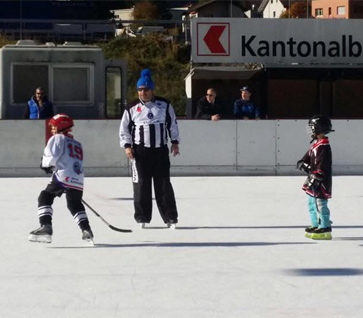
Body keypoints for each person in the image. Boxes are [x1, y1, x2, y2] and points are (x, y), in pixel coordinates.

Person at [119, 69, 180, 229]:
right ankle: (142, 217)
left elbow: (172, 124)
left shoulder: (164, 105)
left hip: (160, 151)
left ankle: (170, 217)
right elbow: (124, 128)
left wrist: (175, 142)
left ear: (152, 90)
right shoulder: (131, 107)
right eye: (140, 90)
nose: (143, 92)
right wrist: (127, 146)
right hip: (140, 152)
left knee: (163, 184)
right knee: (141, 185)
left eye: (146, 89)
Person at [28, 113, 94, 244]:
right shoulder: (77, 143)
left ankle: (46, 227)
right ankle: (86, 230)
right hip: (78, 179)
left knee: (45, 196)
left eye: (53, 126)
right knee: (74, 204)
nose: (52, 129)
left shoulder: (57, 138)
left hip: (63, 176)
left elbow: (50, 159)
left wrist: (45, 164)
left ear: (60, 126)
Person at [296, 114, 334, 240]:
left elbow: (322, 166)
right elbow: (306, 158)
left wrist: (316, 173)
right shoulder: (316, 145)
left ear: (318, 128)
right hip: (313, 180)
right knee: (312, 203)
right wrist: (303, 164)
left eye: (312, 127)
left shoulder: (323, 147)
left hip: (320, 181)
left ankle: (325, 226)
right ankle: (315, 223)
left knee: (320, 203)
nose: (310, 130)